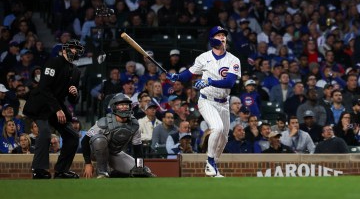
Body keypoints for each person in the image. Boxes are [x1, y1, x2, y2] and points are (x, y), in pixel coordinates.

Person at [166, 26, 241, 177]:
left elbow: (229, 83)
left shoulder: (233, 60)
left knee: (224, 137)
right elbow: (189, 73)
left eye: (223, 35)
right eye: (218, 35)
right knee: (217, 128)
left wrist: (209, 82)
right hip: (207, 101)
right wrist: (177, 77)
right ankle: (210, 163)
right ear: (212, 39)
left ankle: (214, 165)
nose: (222, 38)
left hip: (224, 102)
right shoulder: (203, 57)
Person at [23, 39, 83, 179]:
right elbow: (44, 88)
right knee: (44, 133)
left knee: (72, 136)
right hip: (41, 104)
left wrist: (75, 94)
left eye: (77, 48)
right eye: (72, 47)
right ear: (63, 50)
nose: (75, 50)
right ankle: (39, 170)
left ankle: (61, 171)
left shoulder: (76, 71)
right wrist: (57, 109)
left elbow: (73, 100)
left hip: (57, 106)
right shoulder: (54, 62)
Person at [81, 94, 155, 178]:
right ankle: (102, 172)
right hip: (94, 152)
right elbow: (85, 141)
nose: (124, 107)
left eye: (126, 104)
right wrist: (88, 163)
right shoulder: (104, 122)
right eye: (121, 104)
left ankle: (113, 174)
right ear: (114, 107)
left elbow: (138, 148)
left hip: (114, 153)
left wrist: (140, 166)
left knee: (143, 171)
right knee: (99, 140)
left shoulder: (134, 125)